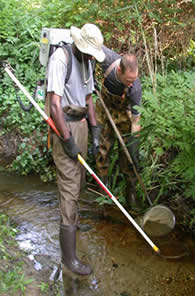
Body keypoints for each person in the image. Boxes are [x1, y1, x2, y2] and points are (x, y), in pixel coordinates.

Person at [47, 23, 105, 275]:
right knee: (69, 188)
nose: (92, 56)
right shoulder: (61, 59)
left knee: (79, 182)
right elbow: (55, 106)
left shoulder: (88, 62)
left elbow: (89, 98)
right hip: (65, 129)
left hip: (81, 126)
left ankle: (74, 226)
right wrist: (67, 140)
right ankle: (68, 259)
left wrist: (94, 130)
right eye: (89, 51)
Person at [95, 46, 142, 209]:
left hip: (123, 114)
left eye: (134, 80)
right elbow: (89, 46)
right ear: (120, 70)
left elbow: (136, 122)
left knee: (127, 155)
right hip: (104, 108)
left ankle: (131, 192)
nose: (131, 84)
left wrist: (133, 145)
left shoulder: (135, 88)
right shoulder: (106, 59)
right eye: (128, 80)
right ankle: (103, 190)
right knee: (102, 149)